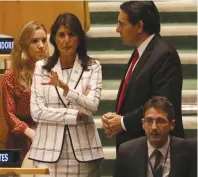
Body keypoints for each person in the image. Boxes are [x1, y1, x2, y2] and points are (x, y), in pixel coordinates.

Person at [29, 12, 104, 176]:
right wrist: (73, 115)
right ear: (54, 38)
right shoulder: (42, 67)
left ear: (80, 38)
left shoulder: (93, 67)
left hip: (84, 153)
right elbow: (36, 112)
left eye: (71, 34)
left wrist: (68, 90)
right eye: (61, 35)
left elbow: (92, 107)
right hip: (47, 152)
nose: (66, 40)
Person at [102, 1, 184, 150]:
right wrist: (117, 118)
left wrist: (123, 122)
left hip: (157, 148)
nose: (117, 29)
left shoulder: (164, 54)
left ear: (139, 26)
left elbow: (162, 104)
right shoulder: (140, 52)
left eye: (122, 24)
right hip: (136, 148)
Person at [2, 21, 48, 166]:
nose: (41, 45)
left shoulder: (53, 71)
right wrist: (29, 131)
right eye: (35, 41)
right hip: (23, 135)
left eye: (44, 40)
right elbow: (9, 115)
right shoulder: (11, 75)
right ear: (24, 46)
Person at [114, 96, 192, 177]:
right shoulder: (126, 152)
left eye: (160, 121)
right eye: (149, 121)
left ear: (172, 124)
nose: (154, 127)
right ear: (143, 124)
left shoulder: (188, 151)